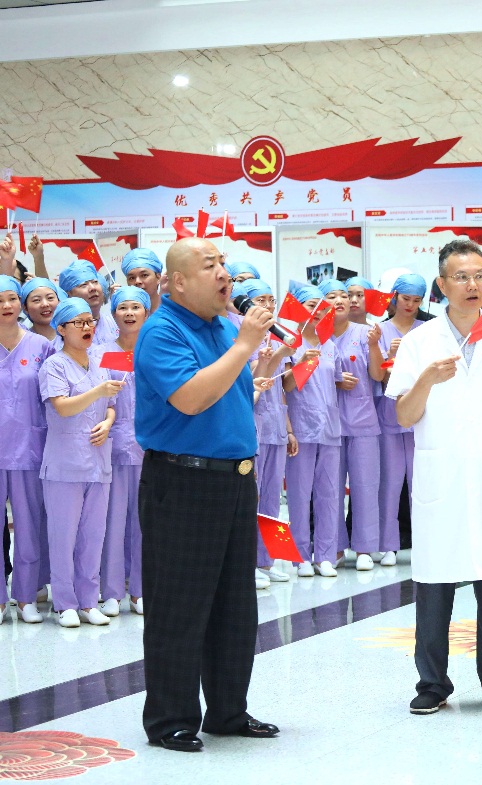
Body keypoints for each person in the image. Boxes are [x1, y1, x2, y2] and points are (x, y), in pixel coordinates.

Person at [135, 237, 279, 752]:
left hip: (235, 480)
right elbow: (191, 399)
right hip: (183, 481)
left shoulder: (223, 325)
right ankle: (171, 719)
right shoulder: (162, 331)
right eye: (209, 265)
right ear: (177, 282)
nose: (224, 274)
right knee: (180, 604)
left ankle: (228, 711)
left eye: (224, 264)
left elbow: (232, 392)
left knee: (234, 605)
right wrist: (244, 347)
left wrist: (255, 351)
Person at [388, 239, 482, 716]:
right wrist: (427, 380)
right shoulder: (420, 342)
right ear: (441, 285)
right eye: (461, 277)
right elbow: (404, 416)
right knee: (434, 579)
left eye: (480, 277)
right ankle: (432, 682)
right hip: (441, 474)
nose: (473, 285)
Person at [40, 297, 121, 628]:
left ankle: (88, 601)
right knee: (63, 537)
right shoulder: (54, 366)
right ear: (61, 329)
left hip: (98, 463)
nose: (88, 327)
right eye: (79, 322)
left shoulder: (100, 362)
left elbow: (112, 404)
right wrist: (98, 392)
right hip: (64, 466)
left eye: (90, 321)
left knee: (93, 536)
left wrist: (108, 422)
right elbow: (62, 407)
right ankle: (65, 604)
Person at [94, 286, 151, 618]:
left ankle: (141, 590)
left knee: (145, 522)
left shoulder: (155, 351)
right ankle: (113, 590)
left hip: (150, 446)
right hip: (112, 448)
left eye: (135, 307)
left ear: (146, 312)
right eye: (122, 308)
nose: (129, 313)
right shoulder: (101, 352)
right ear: (113, 313)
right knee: (113, 522)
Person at [0, 275, 53, 623]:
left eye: (11, 299)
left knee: (29, 526)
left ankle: (25, 596)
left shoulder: (40, 346)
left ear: (20, 303)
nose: (6, 306)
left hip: (29, 449)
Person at [283, 282, 342, 578]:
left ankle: (326, 556)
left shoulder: (329, 345)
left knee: (329, 494)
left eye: (322, 307)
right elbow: (285, 386)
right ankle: (300, 557)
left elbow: (335, 384)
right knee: (299, 495)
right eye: (311, 306)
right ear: (297, 308)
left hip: (330, 428)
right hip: (301, 428)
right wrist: (302, 365)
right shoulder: (289, 343)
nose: (317, 311)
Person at [369, 273, 427, 567]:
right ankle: (388, 544)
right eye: (405, 299)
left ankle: (426, 543)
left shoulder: (427, 331)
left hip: (421, 416)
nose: (410, 305)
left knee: (423, 483)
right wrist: (388, 358)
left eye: (416, 300)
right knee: (390, 483)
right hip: (389, 416)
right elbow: (376, 375)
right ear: (394, 297)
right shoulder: (379, 331)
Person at [244, 279, 297, 585]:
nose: (267, 305)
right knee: (252, 498)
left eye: (270, 300)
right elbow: (255, 380)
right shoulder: (244, 337)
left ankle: (270, 559)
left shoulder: (277, 336)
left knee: (273, 499)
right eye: (260, 300)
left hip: (275, 426)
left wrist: (289, 430)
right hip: (254, 426)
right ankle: (250, 561)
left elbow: (281, 390)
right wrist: (274, 357)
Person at [325, 278, 381, 570]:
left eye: (343, 296)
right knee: (330, 487)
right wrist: (335, 380)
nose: (340, 300)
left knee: (365, 486)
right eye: (332, 296)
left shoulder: (365, 333)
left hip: (362, 421)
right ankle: (333, 547)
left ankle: (364, 548)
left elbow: (378, 375)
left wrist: (374, 346)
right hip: (328, 423)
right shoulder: (315, 337)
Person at [58, 261, 119, 345]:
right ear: (69, 295)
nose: (93, 288)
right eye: (83, 285)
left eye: (95, 282)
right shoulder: (65, 333)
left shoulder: (116, 322)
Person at [20, 277, 65, 343]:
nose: (45, 304)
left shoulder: (73, 338)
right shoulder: (22, 342)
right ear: (25, 308)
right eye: (36, 300)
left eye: (50, 298)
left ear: (59, 302)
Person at [121, 248, 163, 313]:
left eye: (144, 275)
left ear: (158, 277)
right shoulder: (125, 315)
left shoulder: (173, 313)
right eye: (132, 278)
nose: (137, 281)